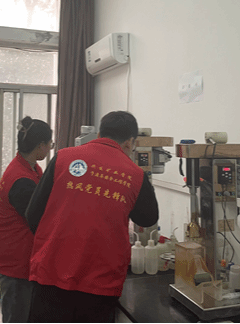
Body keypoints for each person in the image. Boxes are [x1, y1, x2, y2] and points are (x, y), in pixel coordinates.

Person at [25, 110, 159, 323]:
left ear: (99, 134)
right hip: (100, 285)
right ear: (130, 142)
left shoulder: (63, 157)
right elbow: (148, 219)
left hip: (51, 275)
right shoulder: (135, 174)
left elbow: (32, 214)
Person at [0, 116, 53, 323]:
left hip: (16, 251)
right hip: (14, 259)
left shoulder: (30, 167)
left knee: (25, 310)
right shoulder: (21, 180)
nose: (50, 148)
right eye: (49, 144)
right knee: (16, 314)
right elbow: (39, 220)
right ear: (41, 146)